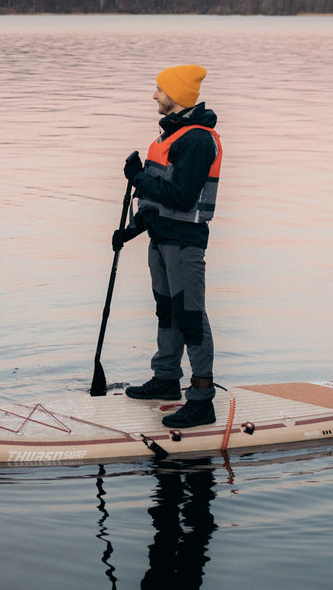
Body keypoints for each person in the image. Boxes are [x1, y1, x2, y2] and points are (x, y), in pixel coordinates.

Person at [112, 64, 222, 428]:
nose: (154, 95)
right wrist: (131, 230)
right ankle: (166, 379)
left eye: (159, 90)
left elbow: (181, 197)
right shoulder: (167, 137)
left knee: (190, 316)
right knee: (167, 313)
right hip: (160, 241)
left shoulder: (197, 140)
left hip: (184, 244)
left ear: (176, 96)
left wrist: (138, 177)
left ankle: (202, 399)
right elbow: (157, 202)